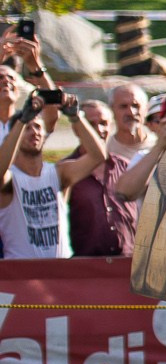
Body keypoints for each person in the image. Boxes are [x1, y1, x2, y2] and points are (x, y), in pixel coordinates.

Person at [0, 85, 102, 258]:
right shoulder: (10, 178)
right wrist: (21, 121)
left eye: (38, 127)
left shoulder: (58, 172)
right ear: (14, 135)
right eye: (27, 128)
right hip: (20, 275)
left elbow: (98, 156)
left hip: (61, 272)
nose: (34, 132)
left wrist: (75, 116)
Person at [67, 83, 150, 257]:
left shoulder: (125, 167)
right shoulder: (66, 171)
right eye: (91, 124)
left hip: (126, 262)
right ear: (77, 128)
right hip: (84, 265)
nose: (99, 130)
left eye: (104, 123)